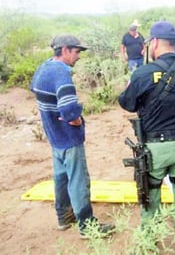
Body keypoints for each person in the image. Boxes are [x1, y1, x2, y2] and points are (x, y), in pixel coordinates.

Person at [118, 21, 175, 249]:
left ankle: (150, 242)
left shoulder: (142, 73)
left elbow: (127, 103)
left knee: (150, 194)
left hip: (153, 149)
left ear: (155, 43)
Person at [30, 34, 115, 239]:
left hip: (54, 135)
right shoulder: (62, 73)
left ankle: (64, 217)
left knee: (61, 176)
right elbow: (69, 109)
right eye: (77, 52)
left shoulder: (44, 67)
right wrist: (76, 120)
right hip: (68, 137)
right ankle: (87, 226)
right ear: (65, 49)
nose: (79, 57)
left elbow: (34, 89)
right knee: (78, 179)